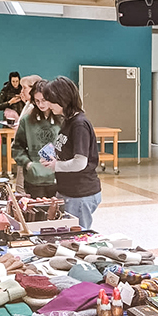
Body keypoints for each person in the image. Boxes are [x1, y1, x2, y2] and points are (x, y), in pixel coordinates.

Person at [39, 77, 102, 229]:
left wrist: (56, 165)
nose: (48, 105)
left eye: (51, 101)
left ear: (63, 99)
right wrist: (52, 158)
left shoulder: (79, 124)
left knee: (77, 237)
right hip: (68, 190)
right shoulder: (68, 120)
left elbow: (80, 162)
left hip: (80, 193)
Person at [12, 80, 61, 198]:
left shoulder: (62, 120)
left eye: (44, 100)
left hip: (58, 178)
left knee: (58, 213)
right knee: (36, 213)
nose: (41, 104)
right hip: (34, 179)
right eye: (37, 101)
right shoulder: (26, 120)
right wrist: (28, 164)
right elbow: (17, 147)